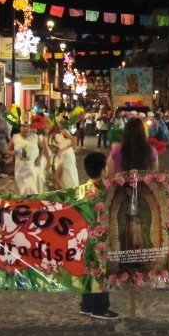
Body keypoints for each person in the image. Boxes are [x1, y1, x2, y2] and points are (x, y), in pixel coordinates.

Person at [78, 152, 120, 320]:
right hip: (100, 240)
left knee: (88, 271)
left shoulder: (82, 190)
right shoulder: (104, 191)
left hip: (86, 240)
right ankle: (99, 308)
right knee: (100, 273)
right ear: (103, 170)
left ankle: (86, 305)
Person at [7, 117, 46, 195]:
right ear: (20, 128)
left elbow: (42, 148)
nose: (26, 129)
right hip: (20, 168)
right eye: (23, 126)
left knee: (31, 188)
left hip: (32, 167)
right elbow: (7, 150)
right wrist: (11, 153)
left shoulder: (35, 137)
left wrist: (39, 158)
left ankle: (33, 203)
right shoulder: (15, 137)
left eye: (28, 126)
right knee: (21, 189)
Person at [44, 120, 78, 190]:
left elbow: (74, 141)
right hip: (61, 156)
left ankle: (71, 189)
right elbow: (54, 146)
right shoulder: (54, 134)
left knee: (69, 172)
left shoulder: (64, 131)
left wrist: (63, 149)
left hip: (68, 154)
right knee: (60, 175)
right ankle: (64, 190)